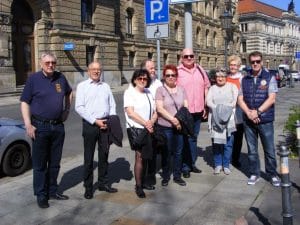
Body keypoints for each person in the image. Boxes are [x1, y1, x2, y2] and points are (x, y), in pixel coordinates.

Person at [20, 52, 72, 209]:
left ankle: (53, 191)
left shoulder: (60, 78)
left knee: (55, 163)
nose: (51, 65)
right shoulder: (33, 79)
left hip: (57, 126)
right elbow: (24, 102)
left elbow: (69, 93)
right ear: (41, 63)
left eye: (53, 63)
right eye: (48, 62)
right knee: (40, 164)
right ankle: (41, 194)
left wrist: (67, 109)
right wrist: (28, 124)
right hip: (40, 126)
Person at [75, 61, 119, 200]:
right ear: (88, 71)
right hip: (90, 125)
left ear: (101, 71)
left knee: (104, 156)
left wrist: (110, 120)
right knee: (88, 158)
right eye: (93, 69)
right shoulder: (82, 86)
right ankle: (88, 187)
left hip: (105, 124)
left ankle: (103, 183)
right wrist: (95, 121)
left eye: (99, 69)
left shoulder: (105, 86)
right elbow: (79, 107)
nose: (96, 71)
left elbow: (112, 104)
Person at [238, 51, 280, 187]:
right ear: (249, 63)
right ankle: (254, 173)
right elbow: (240, 99)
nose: (255, 64)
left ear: (262, 62)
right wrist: (249, 114)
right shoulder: (245, 79)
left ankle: (272, 174)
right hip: (248, 119)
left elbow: (272, 98)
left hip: (265, 120)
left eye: (257, 61)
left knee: (269, 149)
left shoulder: (270, 77)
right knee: (252, 150)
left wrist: (257, 112)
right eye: (252, 62)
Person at [177, 48, 211, 178]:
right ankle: (185, 166)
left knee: (193, 138)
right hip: (185, 112)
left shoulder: (200, 70)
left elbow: (206, 87)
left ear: (195, 56)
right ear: (181, 58)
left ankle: (192, 163)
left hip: (198, 110)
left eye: (191, 56)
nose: (189, 58)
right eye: (186, 56)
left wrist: (206, 106)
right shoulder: (177, 72)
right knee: (185, 139)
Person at [124, 69, 157, 198]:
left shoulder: (148, 92)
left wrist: (151, 122)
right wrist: (146, 123)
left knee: (148, 155)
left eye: (145, 79)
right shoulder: (129, 93)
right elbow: (130, 112)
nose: (143, 81)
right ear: (134, 80)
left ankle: (144, 182)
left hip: (148, 128)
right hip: (137, 129)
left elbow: (156, 111)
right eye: (140, 78)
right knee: (140, 157)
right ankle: (138, 186)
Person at [155, 64, 188, 186]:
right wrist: (173, 120)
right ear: (164, 76)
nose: (170, 77)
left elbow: (185, 107)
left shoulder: (182, 89)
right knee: (166, 152)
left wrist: (179, 121)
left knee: (179, 152)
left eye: (173, 75)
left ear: (176, 76)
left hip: (179, 126)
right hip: (165, 126)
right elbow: (159, 108)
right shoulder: (160, 90)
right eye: (168, 75)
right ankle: (166, 176)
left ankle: (177, 176)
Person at [206, 69, 238, 175]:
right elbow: (208, 101)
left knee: (228, 144)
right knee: (216, 144)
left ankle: (226, 165)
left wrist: (225, 109)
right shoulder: (212, 88)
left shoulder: (232, 87)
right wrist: (217, 108)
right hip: (215, 120)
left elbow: (234, 101)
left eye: (222, 76)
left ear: (226, 77)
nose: (220, 78)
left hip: (229, 120)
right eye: (218, 77)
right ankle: (218, 165)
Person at [140, 59, 162, 188]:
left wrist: (153, 120)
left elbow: (160, 103)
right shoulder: (139, 83)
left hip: (155, 121)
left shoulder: (158, 83)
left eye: (154, 68)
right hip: (142, 123)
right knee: (142, 153)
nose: (153, 70)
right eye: (150, 68)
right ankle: (141, 177)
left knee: (153, 150)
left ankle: (151, 175)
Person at [226, 55, 244, 168]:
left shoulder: (242, 78)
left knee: (238, 137)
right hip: (227, 111)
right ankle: (226, 158)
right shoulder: (226, 77)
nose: (233, 67)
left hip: (238, 112)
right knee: (228, 136)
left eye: (235, 65)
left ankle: (235, 159)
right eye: (231, 65)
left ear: (238, 66)